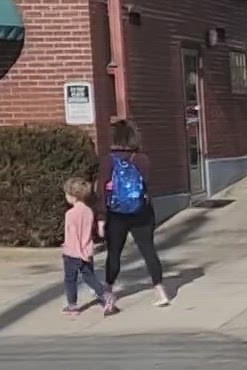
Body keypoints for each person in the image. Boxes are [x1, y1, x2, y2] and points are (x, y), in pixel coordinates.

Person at [96, 119, 172, 307]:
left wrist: (101, 217)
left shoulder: (108, 161)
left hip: (116, 214)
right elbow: (145, 185)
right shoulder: (142, 159)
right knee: (148, 251)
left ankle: (108, 290)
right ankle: (160, 290)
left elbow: (101, 192)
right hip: (142, 212)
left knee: (114, 253)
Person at [60, 178, 117, 316]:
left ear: (73, 196)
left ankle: (72, 305)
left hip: (72, 252)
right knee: (89, 277)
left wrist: (68, 247)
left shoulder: (70, 214)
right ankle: (105, 296)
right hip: (87, 250)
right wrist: (85, 251)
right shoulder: (89, 212)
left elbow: (71, 234)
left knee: (70, 279)